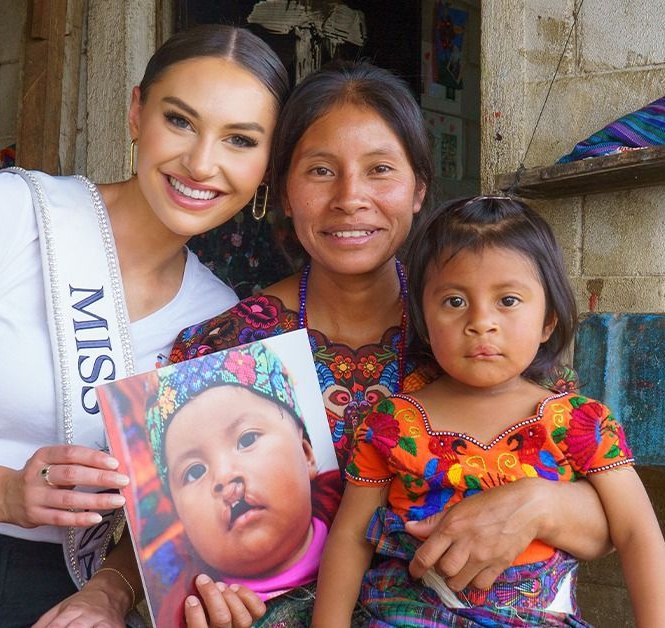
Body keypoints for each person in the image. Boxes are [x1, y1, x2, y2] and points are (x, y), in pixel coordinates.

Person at [0, 25, 288, 628]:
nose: (201, 163)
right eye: (181, 121)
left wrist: (109, 594)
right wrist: (5, 492)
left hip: (66, 598)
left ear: (268, 163)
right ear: (137, 112)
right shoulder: (3, 213)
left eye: (240, 139)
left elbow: (174, 517)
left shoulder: (219, 319)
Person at [170, 61, 614, 626]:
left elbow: (608, 519)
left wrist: (540, 503)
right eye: (320, 171)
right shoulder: (226, 351)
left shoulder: (478, 332)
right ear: (283, 190)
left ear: (418, 189)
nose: (350, 198)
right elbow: (165, 534)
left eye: (379, 169)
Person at [314, 195, 665, 627]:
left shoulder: (579, 423)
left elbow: (636, 533)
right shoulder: (391, 424)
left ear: (548, 321)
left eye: (507, 300)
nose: (481, 322)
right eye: (454, 301)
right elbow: (352, 538)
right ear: (424, 322)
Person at [137, 342, 341, 623]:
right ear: (179, 517)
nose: (223, 476)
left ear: (306, 454)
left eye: (247, 439)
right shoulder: (191, 611)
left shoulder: (362, 531)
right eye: (194, 471)